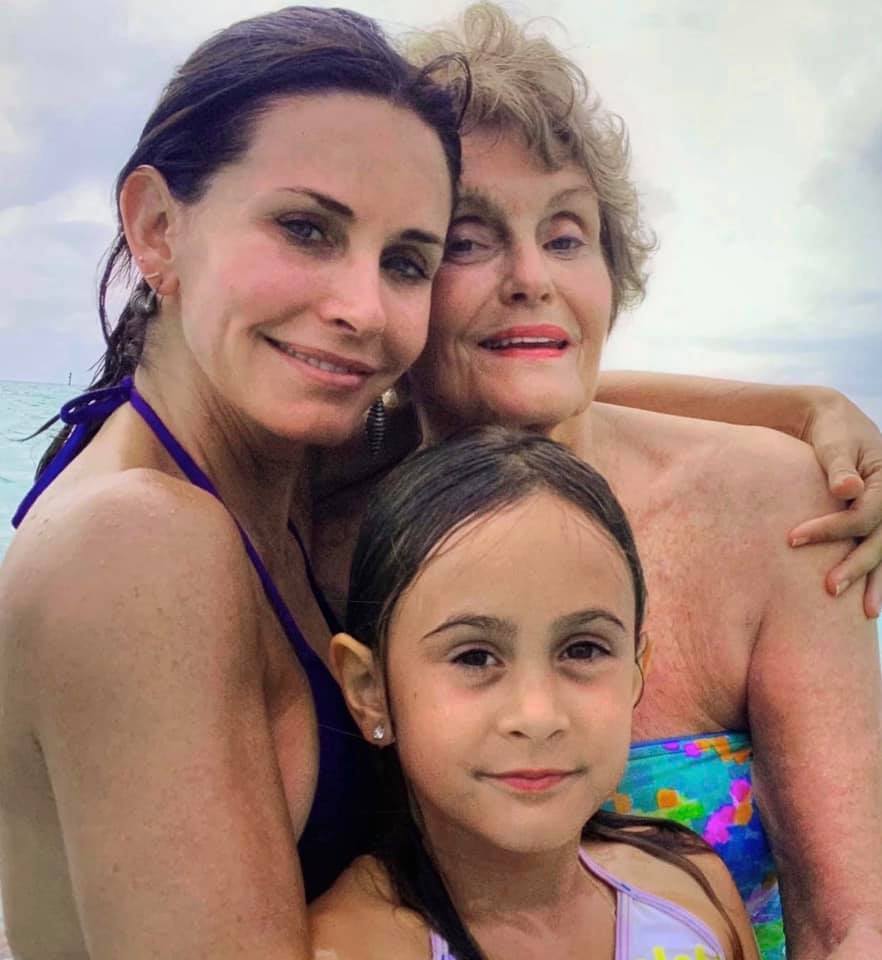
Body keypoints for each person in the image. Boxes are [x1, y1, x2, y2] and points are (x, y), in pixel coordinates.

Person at [310, 5, 882, 958]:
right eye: (468, 238)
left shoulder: (772, 509)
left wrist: (803, 408)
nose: (532, 276)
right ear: (398, 276)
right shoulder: (322, 525)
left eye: (568, 234)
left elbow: (853, 922)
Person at [0, 7, 461, 958]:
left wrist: (779, 421)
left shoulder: (271, 470)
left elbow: (494, 392)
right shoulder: (137, 542)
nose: (363, 309)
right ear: (158, 228)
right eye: (306, 228)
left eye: (406, 262)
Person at [311, 426, 760, 960]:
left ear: (637, 670)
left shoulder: (691, 893)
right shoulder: (348, 948)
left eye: (583, 649)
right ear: (370, 689)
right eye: (474, 657)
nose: (538, 715)